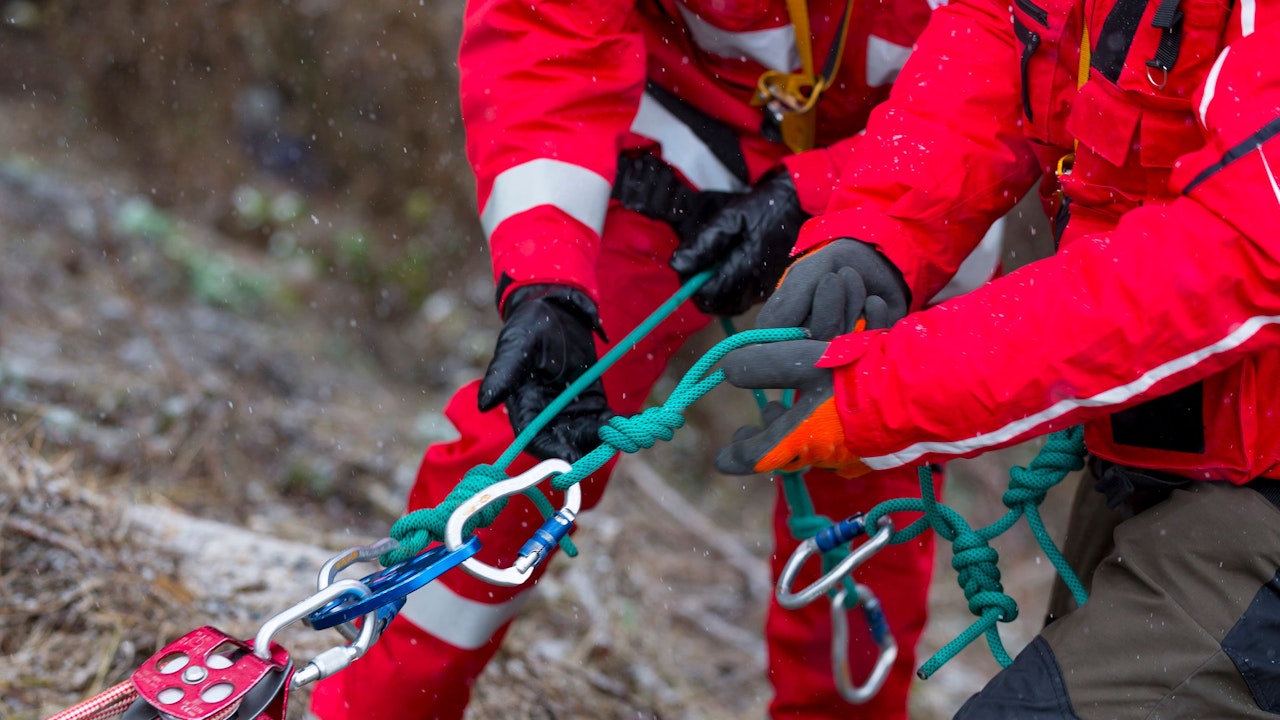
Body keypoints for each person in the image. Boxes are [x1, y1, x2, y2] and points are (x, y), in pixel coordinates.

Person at [307, 1, 1010, 718]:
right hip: (670, 133)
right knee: (532, 432)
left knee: (866, 492)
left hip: (911, 182)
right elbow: (546, 28)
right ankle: (375, 704)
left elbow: (1009, 77)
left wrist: (826, 191)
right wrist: (546, 276)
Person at [712, 0, 1280, 716]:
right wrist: (879, 230)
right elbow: (1003, 39)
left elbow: (1233, 255)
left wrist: (887, 396)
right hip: (1176, 443)